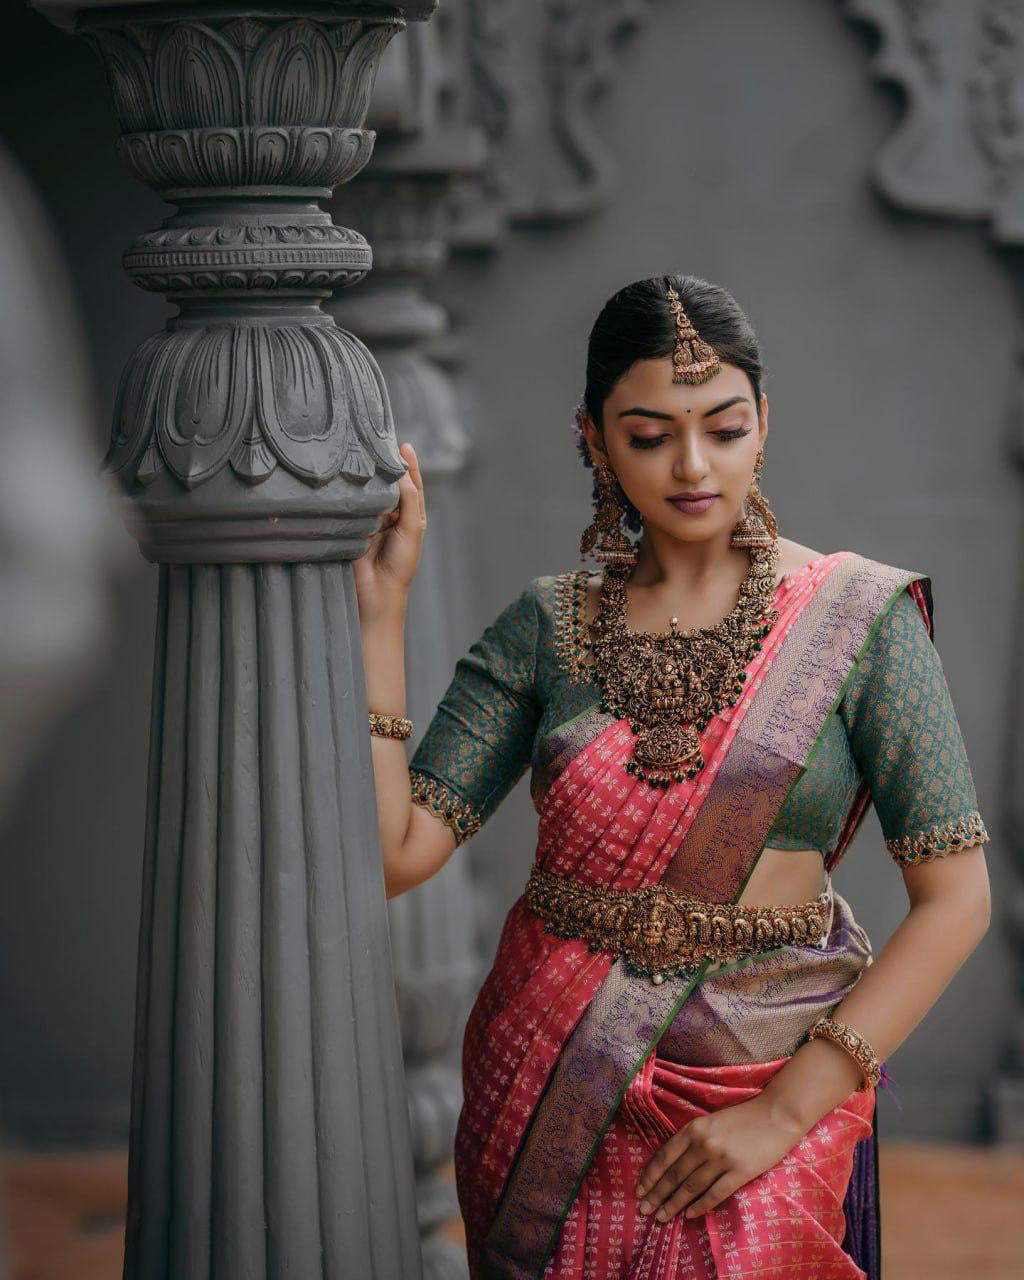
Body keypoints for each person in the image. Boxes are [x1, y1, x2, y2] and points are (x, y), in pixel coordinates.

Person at [353, 274, 992, 1280]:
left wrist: (783, 1111)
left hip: (766, 1081)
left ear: (763, 421)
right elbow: (396, 851)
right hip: (551, 1080)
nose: (693, 466)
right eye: (650, 436)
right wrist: (381, 615)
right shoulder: (546, 626)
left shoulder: (858, 621)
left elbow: (956, 899)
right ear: (594, 439)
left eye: (724, 429)